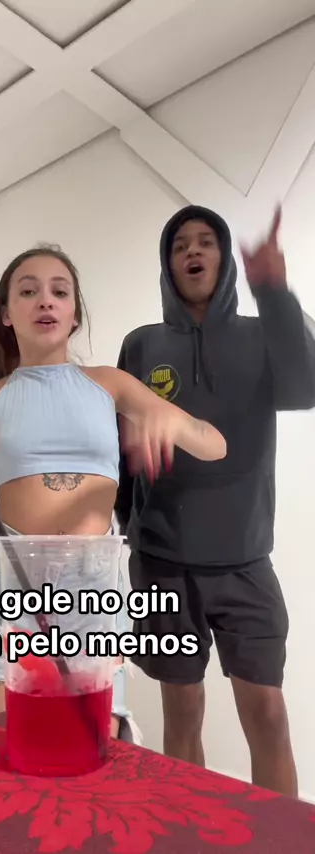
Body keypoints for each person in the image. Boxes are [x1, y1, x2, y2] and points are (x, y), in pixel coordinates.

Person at [0, 244, 226, 744]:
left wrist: (171, 425)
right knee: (6, 734)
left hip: (93, 575)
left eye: (59, 292)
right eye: (28, 291)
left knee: (96, 734)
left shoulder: (110, 383)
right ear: (6, 313)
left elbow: (214, 445)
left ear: (74, 313)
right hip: (8, 575)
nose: (45, 300)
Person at [115, 205, 315, 795]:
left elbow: (306, 389)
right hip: (163, 564)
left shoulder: (260, 333)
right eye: (180, 245)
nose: (193, 252)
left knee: (268, 715)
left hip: (245, 563)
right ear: (167, 263)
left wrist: (274, 289)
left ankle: (281, 835)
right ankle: (187, 830)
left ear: (224, 258)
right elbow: (118, 442)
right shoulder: (142, 344)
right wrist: (128, 520)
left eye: (206, 242)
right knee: (181, 713)